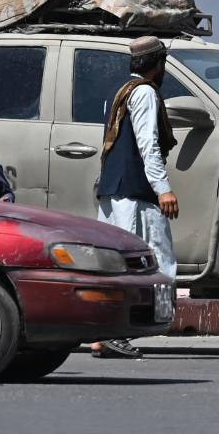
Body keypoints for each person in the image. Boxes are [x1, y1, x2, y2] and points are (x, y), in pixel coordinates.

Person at [89, 35, 179, 359]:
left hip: (116, 190)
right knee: (153, 263)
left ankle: (104, 335)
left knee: (118, 265)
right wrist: (164, 189)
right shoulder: (144, 93)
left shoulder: (119, 89)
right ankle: (122, 332)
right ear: (159, 65)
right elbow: (148, 144)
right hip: (135, 194)